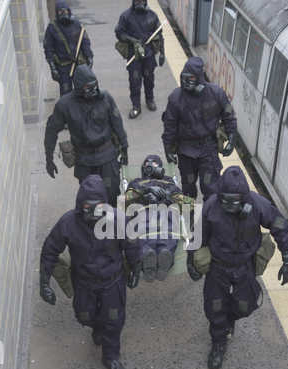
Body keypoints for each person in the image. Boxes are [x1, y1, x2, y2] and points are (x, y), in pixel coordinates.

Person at [186, 166, 288, 369]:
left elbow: (279, 223)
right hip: (218, 267)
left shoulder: (258, 204)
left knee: (245, 305)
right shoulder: (211, 206)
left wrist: (287, 258)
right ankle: (218, 345)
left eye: (234, 199)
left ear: (243, 196)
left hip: (244, 267)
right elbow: (198, 234)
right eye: (225, 198)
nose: (228, 204)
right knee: (214, 308)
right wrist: (191, 260)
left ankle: (230, 319)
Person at [39, 175, 142, 369]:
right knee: (83, 316)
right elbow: (50, 250)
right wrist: (44, 282)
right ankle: (97, 326)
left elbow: (132, 245)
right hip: (84, 281)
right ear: (80, 205)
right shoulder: (68, 223)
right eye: (88, 206)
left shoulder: (119, 220)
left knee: (113, 319)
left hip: (112, 281)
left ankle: (110, 357)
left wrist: (136, 269)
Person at [44, 64, 129, 207]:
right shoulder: (65, 104)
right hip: (84, 161)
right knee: (89, 200)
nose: (94, 90)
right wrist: (49, 158)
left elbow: (117, 122)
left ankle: (113, 227)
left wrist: (125, 148)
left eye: (95, 85)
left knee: (111, 196)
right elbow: (51, 131)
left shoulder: (105, 98)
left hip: (106, 157)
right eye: (88, 87)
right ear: (78, 88)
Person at [162, 57, 237, 202]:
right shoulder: (175, 98)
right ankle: (189, 218)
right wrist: (167, 148)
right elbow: (169, 125)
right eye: (184, 78)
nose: (186, 82)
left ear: (199, 78)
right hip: (186, 151)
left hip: (208, 149)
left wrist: (232, 140)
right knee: (188, 188)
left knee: (211, 188)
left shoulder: (216, 94)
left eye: (191, 78)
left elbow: (229, 117)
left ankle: (209, 220)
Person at [124, 155, 195, 282]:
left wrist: (168, 197)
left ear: (161, 167)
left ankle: (165, 257)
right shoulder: (136, 183)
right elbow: (123, 202)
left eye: (154, 162)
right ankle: (147, 258)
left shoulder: (169, 182)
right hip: (143, 212)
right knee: (144, 229)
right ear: (142, 167)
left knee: (168, 230)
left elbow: (189, 204)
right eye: (146, 163)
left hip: (166, 211)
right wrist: (144, 192)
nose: (150, 165)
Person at [115, 0, 165, 119]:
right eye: (137, 1)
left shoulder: (152, 15)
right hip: (134, 55)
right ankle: (136, 106)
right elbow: (119, 33)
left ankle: (149, 100)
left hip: (149, 55)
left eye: (142, 0)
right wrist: (131, 40)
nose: (140, 3)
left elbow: (159, 34)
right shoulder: (126, 16)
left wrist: (162, 52)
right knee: (135, 82)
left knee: (149, 79)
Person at [43, 0, 94, 97]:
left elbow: (85, 43)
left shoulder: (77, 24)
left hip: (78, 65)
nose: (63, 13)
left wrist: (89, 57)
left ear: (69, 11)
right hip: (63, 68)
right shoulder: (52, 29)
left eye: (65, 11)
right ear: (57, 13)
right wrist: (53, 68)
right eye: (60, 11)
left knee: (83, 91)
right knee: (66, 94)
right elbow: (48, 49)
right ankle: (67, 112)